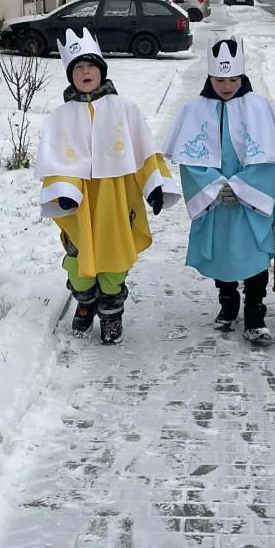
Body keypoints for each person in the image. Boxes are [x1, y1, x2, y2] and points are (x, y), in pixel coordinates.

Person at [36, 28, 179, 344]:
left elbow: (144, 151)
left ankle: (111, 313)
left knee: (114, 261)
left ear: (101, 70)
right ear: (70, 75)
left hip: (116, 199)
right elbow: (56, 160)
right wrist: (63, 191)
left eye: (91, 66)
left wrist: (154, 186)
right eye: (78, 68)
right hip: (79, 203)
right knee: (78, 260)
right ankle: (86, 303)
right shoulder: (61, 117)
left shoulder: (124, 109)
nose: (85, 72)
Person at [163, 38, 275, 343]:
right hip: (216, 199)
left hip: (251, 200)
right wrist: (216, 188)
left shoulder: (259, 107)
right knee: (222, 253)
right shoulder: (195, 109)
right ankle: (228, 302)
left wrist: (243, 189)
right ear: (209, 77)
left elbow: (269, 160)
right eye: (220, 80)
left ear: (242, 76)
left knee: (255, 254)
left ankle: (255, 313)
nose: (227, 86)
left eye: (233, 79)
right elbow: (189, 161)